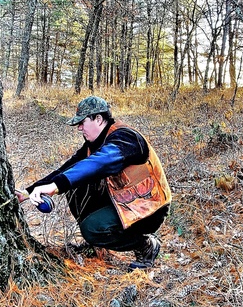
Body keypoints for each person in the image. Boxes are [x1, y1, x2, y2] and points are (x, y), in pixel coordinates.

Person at [19, 96, 171, 270]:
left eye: (82, 122)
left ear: (98, 119)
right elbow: (68, 169)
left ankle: (144, 245)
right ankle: (99, 241)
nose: (79, 128)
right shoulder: (93, 144)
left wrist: (57, 186)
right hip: (125, 202)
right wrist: (28, 192)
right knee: (75, 181)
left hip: (150, 208)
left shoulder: (126, 137)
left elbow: (101, 162)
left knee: (92, 229)